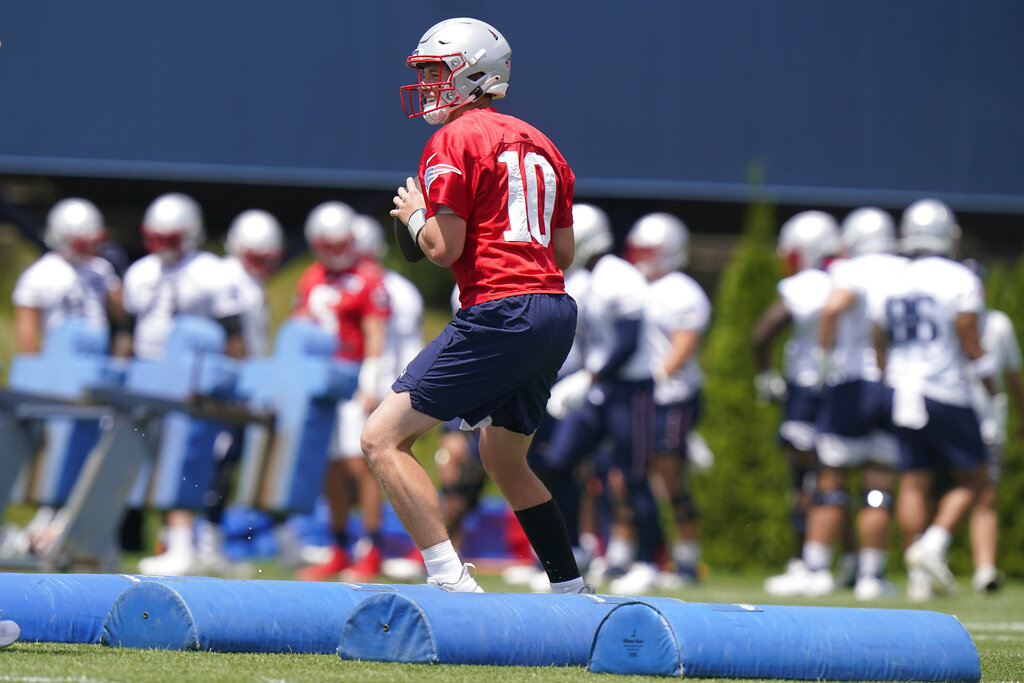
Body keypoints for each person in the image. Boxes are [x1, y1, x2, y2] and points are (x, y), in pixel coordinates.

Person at [362, 17, 587, 594]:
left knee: (381, 439)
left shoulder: (453, 138)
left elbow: (443, 249)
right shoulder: (544, 142)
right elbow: (563, 250)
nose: (430, 85)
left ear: (475, 74)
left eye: (438, 72)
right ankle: (569, 586)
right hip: (554, 310)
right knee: (505, 458)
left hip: (502, 308)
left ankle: (448, 578)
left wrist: (414, 214)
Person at [872, 198, 992, 602]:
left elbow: (878, 335)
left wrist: (891, 371)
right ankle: (933, 545)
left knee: (914, 480)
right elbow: (970, 338)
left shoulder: (892, 278)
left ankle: (917, 572)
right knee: (976, 474)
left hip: (902, 387)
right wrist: (993, 387)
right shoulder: (959, 277)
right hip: (944, 387)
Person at [128, 192, 248, 576]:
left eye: (171, 238)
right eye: (156, 238)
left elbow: (234, 335)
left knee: (185, 457)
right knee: (143, 458)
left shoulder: (212, 271)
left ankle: (185, 542)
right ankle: (165, 540)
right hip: (146, 372)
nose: (163, 247)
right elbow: (126, 332)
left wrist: (235, 382)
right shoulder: (140, 273)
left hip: (195, 380)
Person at [542, 203, 660, 595]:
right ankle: (574, 550)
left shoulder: (619, 278)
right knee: (558, 463)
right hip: (598, 387)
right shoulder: (583, 277)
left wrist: (588, 378)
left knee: (633, 474)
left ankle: (647, 560)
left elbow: (627, 343)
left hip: (630, 388)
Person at [797, 207, 907, 601]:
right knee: (878, 488)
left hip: (852, 384)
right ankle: (870, 576)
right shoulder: (904, 270)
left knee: (831, 482)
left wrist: (823, 356)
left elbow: (833, 307)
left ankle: (817, 568)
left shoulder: (850, 269)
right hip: (893, 385)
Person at [753, 211, 852, 596]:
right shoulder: (848, 280)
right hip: (846, 385)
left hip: (809, 388)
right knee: (837, 475)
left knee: (807, 479)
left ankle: (809, 562)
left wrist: (765, 372)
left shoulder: (808, 284)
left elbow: (762, 333)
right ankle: (851, 562)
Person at [292, 202, 391, 582]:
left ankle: (371, 546)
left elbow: (374, 334)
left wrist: (370, 381)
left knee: (359, 463)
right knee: (330, 467)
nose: (335, 252)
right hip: (320, 382)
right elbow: (299, 329)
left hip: (352, 378)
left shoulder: (367, 277)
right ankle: (337, 545)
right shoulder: (310, 278)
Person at [623, 212, 711, 589]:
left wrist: (651, 380)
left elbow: (683, 346)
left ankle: (687, 559)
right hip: (640, 397)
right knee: (629, 477)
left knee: (670, 480)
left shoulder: (683, 291)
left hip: (671, 397)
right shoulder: (635, 287)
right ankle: (636, 555)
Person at [194, 208, 284, 574]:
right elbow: (231, 334)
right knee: (217, 461)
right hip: (225, 385)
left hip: (240, 382)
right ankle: (203, 540)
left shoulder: (248, 281)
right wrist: (251, 380)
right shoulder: (228, 277)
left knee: (230, 461)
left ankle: (209, 539)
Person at [962, 259, 1024, 593]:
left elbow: (1013, 374)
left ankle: (984, 568)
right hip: (950, 418)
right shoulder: (948, 319)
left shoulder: (998, 324)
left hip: (986, 422)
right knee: (930, 488)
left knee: (985, 495)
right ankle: (924, 564)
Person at [12, 197, 126, 355]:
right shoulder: (37, 275)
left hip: (99, 355)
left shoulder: (101, 268)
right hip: (59, 359)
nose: (91, 249)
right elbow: (26, 333)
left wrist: (116, 276)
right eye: (83, 244)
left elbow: (122, 314)